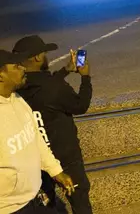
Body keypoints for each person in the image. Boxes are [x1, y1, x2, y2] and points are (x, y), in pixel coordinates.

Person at [13, 36, 93, 214]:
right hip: (65, 158)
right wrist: (85, 77)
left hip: (37, 159)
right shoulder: (55, 88)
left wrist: (65, 70)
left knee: (47, 203)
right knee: (80, 201)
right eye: (44, 53)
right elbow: (80, 105)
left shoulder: (15, 88)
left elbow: (42, 84)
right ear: (37, 57)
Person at [0, 50, 76, 214]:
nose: (23, 69)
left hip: (34, 198)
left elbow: (36, 139)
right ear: (1, 76)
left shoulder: (19, 100)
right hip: (10, 208)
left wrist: (56, 171)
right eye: (16, 66)